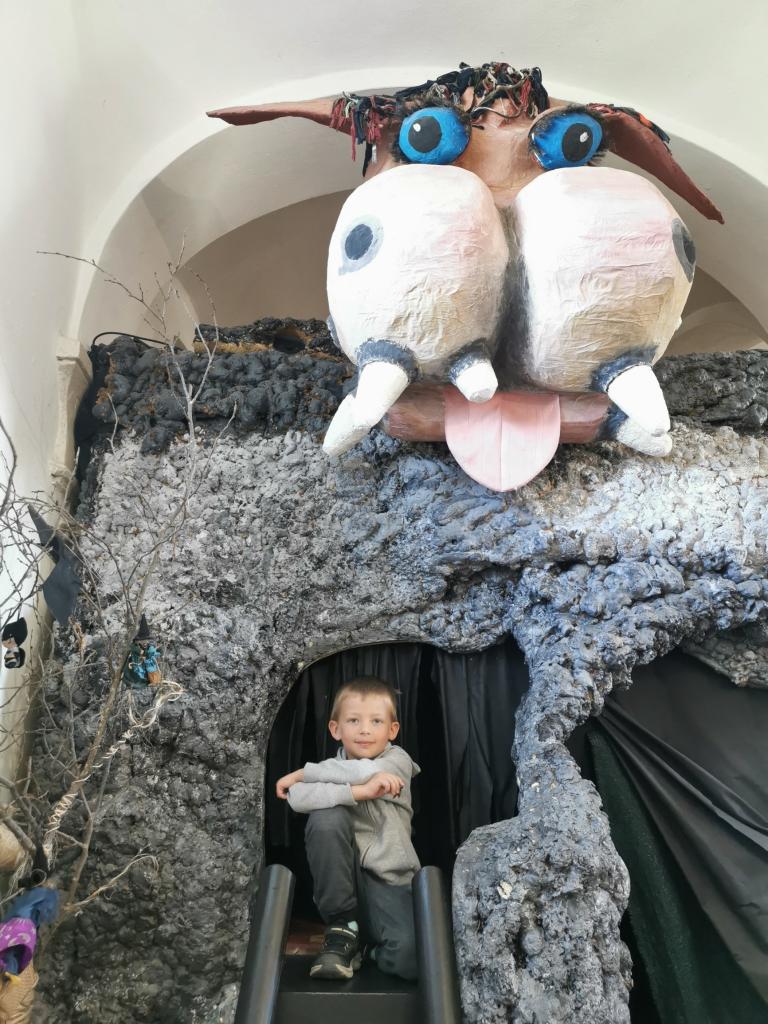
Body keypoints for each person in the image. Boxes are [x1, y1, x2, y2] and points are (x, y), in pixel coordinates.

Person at [276, 676, 420, 982]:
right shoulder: (328, 769)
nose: (365, 730)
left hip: (389, 882)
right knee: (326, 817)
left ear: (392, 730)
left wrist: (303, 773)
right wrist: (358, 793)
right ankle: (343, 927)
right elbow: (297, 797)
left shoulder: (398, 761)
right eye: (354, 720)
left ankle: (365, 949)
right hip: (343, 883)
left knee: (410, 958)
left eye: (376, 721)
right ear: (335, 729)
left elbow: (366, 770)